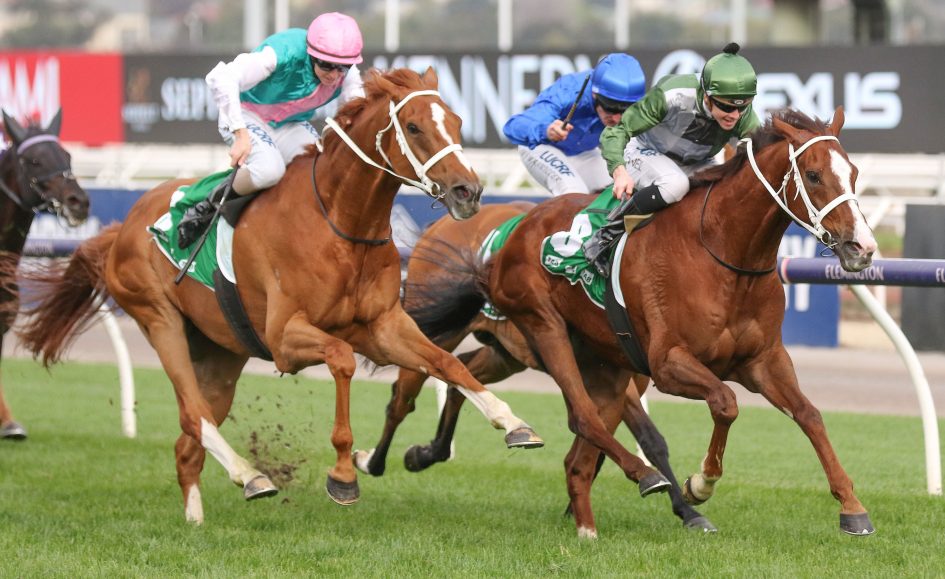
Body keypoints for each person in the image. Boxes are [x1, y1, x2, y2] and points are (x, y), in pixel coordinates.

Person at [176, 12, 366, 248]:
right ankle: (207, 204)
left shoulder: (348, 74)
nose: (335, 75)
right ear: (311, 54)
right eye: (327, 65)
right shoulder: (282, 53)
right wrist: (240, 133)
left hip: (290, 123)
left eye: (343, 67)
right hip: (247, 115)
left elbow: (358, 111)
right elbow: (221, 77)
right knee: (269, 170)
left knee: (319, 169)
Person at [584, 42, 761, 276]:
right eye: (726, 107)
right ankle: (603, 237)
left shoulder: (739, 110)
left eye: (742, 107)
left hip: (695, 162)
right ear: (706, 94)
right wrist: (619, 170)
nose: (734, 116)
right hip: (645, 151)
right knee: (675, 183)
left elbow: (759, 148)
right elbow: (617, 131)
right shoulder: (672, 94)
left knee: (722, 195)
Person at [502, 53, 646, 197]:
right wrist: (545, 130)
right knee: (574, 192)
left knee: (625, 190)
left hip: (584, 153)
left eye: (625, 110)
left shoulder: (640, 106)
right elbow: (512, 126)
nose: (616, 118)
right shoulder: (568, 92)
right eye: (610, 107)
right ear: (595, 94)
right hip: (542, 147)